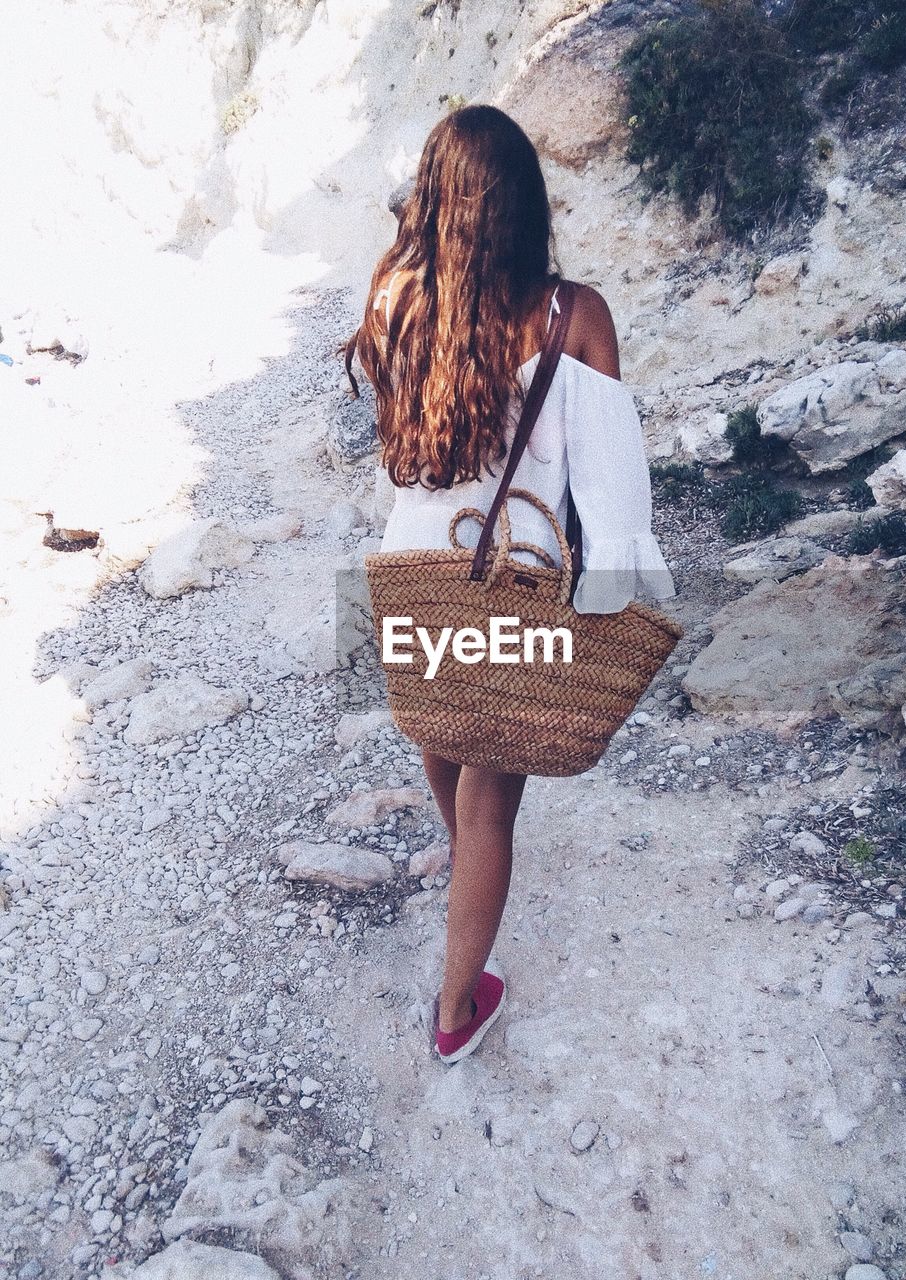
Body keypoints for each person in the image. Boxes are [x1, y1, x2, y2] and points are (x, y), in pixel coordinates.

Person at [344, 104, 676, 1065]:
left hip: (411, 578)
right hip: (514, 589)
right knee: (495, 795)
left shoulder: (397, 303)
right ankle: (457, 1010)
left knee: (445, 746)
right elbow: (615, 509)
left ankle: (464, 880)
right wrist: (615, 613)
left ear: (434, 205)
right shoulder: (575, 317)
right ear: (529, 203)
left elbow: (395, 467)